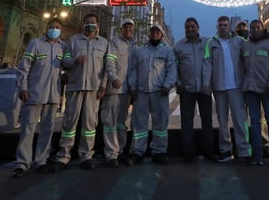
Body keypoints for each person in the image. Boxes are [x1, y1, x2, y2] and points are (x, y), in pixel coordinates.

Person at [47, 13, 108, 172]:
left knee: (90, 124)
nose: (90, 25)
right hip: (75, 86)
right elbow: (64, 62)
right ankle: (63, 156)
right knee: (69, 123)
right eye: (87, 22)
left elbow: (107, 67)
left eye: (93, 22)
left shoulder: (103, 43)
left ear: (97, 25)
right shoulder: (73, 41)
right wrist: (74, 61)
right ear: (83, 24)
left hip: (93, 88)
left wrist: (103, 86)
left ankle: (86, 155)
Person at [11, 18, 65, 178]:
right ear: (46, 28)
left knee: (47, 130)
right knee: (27, 129)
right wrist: (23, 87)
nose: (54, 29)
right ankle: (22, 163)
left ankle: (41, 160)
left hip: (53, 95)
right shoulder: (35, 44)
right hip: (34, 93)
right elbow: (24, 67)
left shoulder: (63, 47)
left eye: (57, 27)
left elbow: (66, 67)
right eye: (51, 27)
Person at [202, 15, 250, 162]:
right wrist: (206, 83)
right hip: (219, 87)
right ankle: (225, 150)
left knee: (240, 119)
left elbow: (249, 58)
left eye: (225, 25)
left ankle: (244, 151)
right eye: (220, 25)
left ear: (230, 26)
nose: (223, 27)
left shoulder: (240, 41)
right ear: (217, 27)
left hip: (237, 86)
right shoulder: (211, 43)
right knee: (222, 121)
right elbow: (207, 64)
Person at [128, 23, 176, 165]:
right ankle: (137, 151)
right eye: (152, 32)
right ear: (149, 33)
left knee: (160, 125)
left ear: (161, 35)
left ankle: (159, 151)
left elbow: (172, 70)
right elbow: (134, 70)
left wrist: (167, 85)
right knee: (139, 124)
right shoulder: (140, 50)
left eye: (157, 32)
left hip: (159, 93)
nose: (154, 34)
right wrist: (133, 86)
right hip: (142, 93)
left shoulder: (167, 51)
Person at [241, 19, 269, 165]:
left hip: (267, 89)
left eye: (258, 27)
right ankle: (257, 155)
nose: (255, 30)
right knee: (255, 122)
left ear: (262, 29)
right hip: (251, 89)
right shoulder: (245, 45)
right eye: (253, 28)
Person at [174, 17, 213, 162]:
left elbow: (211, 63)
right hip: (187, 90)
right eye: (187, 27)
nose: (190, 29)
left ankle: (208, 151)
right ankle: (188, 152)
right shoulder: (178, 47)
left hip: (204, 89)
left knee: (207, 121)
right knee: (186, 122)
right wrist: (179, 83)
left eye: (192, 26)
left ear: (198, 27)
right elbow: (175, 67)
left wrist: (209, 84)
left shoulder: (207, 43)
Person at [100, 18, 136, 167]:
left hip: (126, 90)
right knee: (110, 122)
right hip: (114, 89)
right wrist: (113, 77)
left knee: (121, 123)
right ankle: (110, 153)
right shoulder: (114, 42)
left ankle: (120, 150)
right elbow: (109, 62)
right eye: (126, 27)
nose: (128, 29)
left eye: (131, 27)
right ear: (121, 29)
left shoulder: (134, 45)